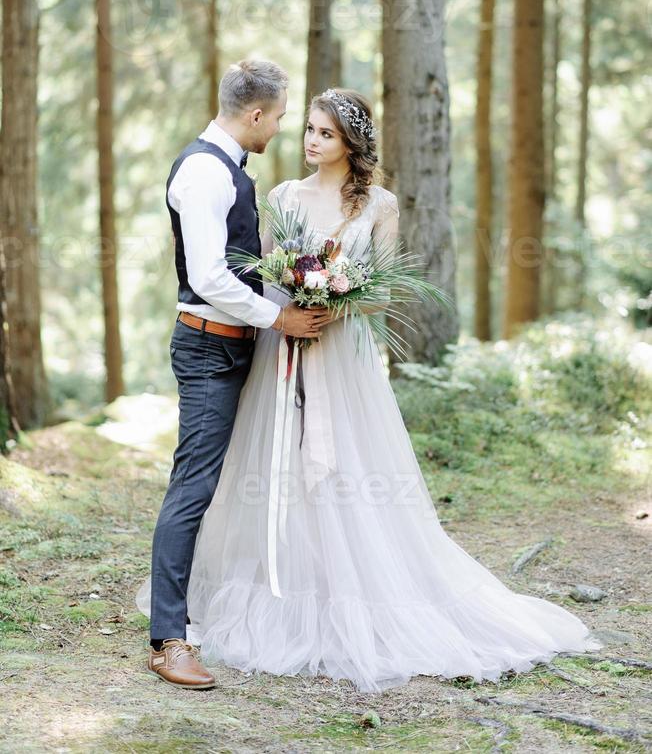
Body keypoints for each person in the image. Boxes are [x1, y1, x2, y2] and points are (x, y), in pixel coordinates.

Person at [138, 85, 603, 694]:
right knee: (269, 468)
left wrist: (337, 296)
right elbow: (263, 276)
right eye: (304, 128)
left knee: (347, 474)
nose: (308, 140)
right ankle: (268, 593)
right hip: (282, 343)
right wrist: (293, 301)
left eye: (324, 133)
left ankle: (346, 594)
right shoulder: (280, 196)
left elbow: (383, 291)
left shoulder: (380, 205)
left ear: (351, 143)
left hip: (343, 356)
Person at [142, 59, 331, 689]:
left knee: (219, 481)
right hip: (208, 350)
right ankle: (170, 638)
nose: (280, 129)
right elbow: (207, 277)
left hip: (235, 345)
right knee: (192, 485)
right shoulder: (203, 172)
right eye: (279, 118)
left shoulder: (228, 169)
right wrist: (279, 321)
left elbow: (236, 265)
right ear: (255, 114)